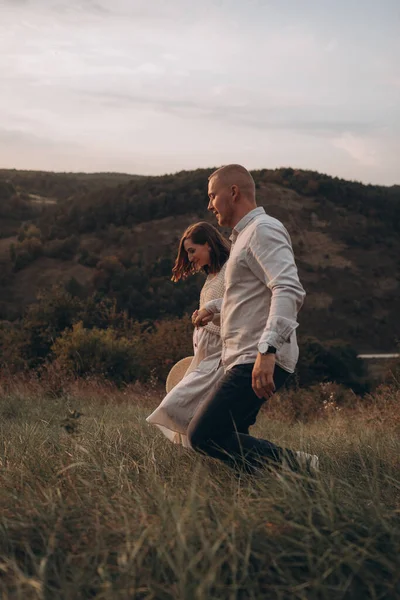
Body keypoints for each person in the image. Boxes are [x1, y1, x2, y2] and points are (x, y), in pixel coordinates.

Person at [188, 164, 319, 474]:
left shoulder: (263, 229)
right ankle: (261, 495)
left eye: (212, 196)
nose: (209, 205)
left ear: (233, 193)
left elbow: (287, 288)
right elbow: (250, 294)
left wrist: (267, 350)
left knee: (203, 435)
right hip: (243, 356)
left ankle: (301, 466)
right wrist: (216, 307)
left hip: (255, 356)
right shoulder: (243, 237)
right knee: (234, 438)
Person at [146, 222, 229, 447]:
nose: (189, 257)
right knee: (195, 410)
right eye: (187, 252)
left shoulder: (229, 270)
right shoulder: (211, 276)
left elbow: (237, 304)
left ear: (209, 245)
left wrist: (210, 309)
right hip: (203, 354)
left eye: (192, 250)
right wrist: (202, 315)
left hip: (218, 355)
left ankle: (205, 446)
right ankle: (203, 454)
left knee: (174, 405)